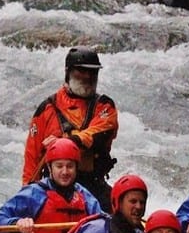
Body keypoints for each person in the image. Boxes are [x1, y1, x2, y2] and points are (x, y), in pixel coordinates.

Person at [22, 46, 118, 212]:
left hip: (92, 184)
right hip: (54, 186)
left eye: (92, 72)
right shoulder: (47, 109)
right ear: (68, 72)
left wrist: (63, 143)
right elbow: (33, 159)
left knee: (120, 213)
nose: (88, 77)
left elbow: (97, 135)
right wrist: (27, 196)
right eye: (81, 71)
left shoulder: (105, 106)